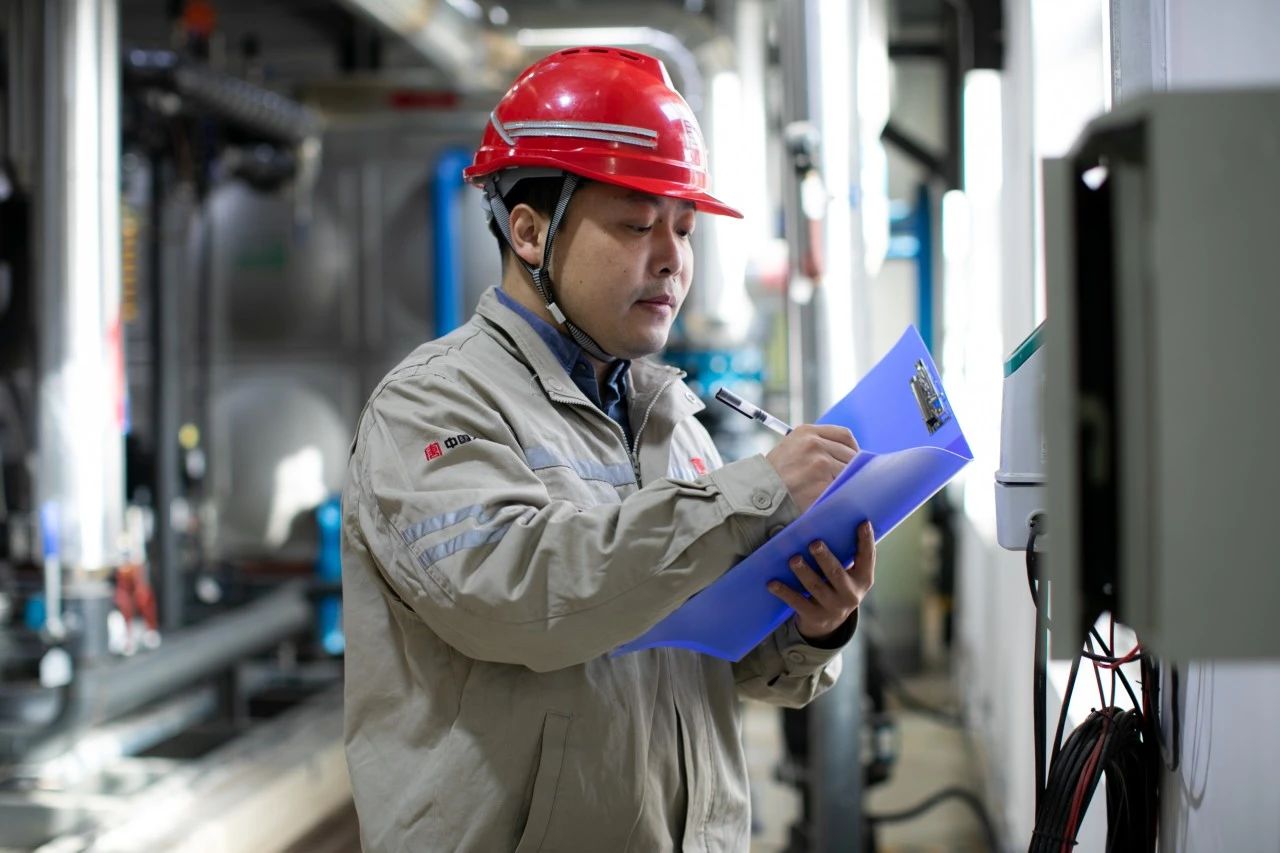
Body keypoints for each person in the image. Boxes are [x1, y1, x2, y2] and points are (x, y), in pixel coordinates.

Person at [341, 46, 875, 852]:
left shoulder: (672, 420)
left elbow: (711, 655)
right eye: (636, 224)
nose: (673, 258)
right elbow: (522, 599)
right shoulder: (431, 405)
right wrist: (753, 493)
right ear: (529, 231)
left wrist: (811, 622)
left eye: (683, 228)